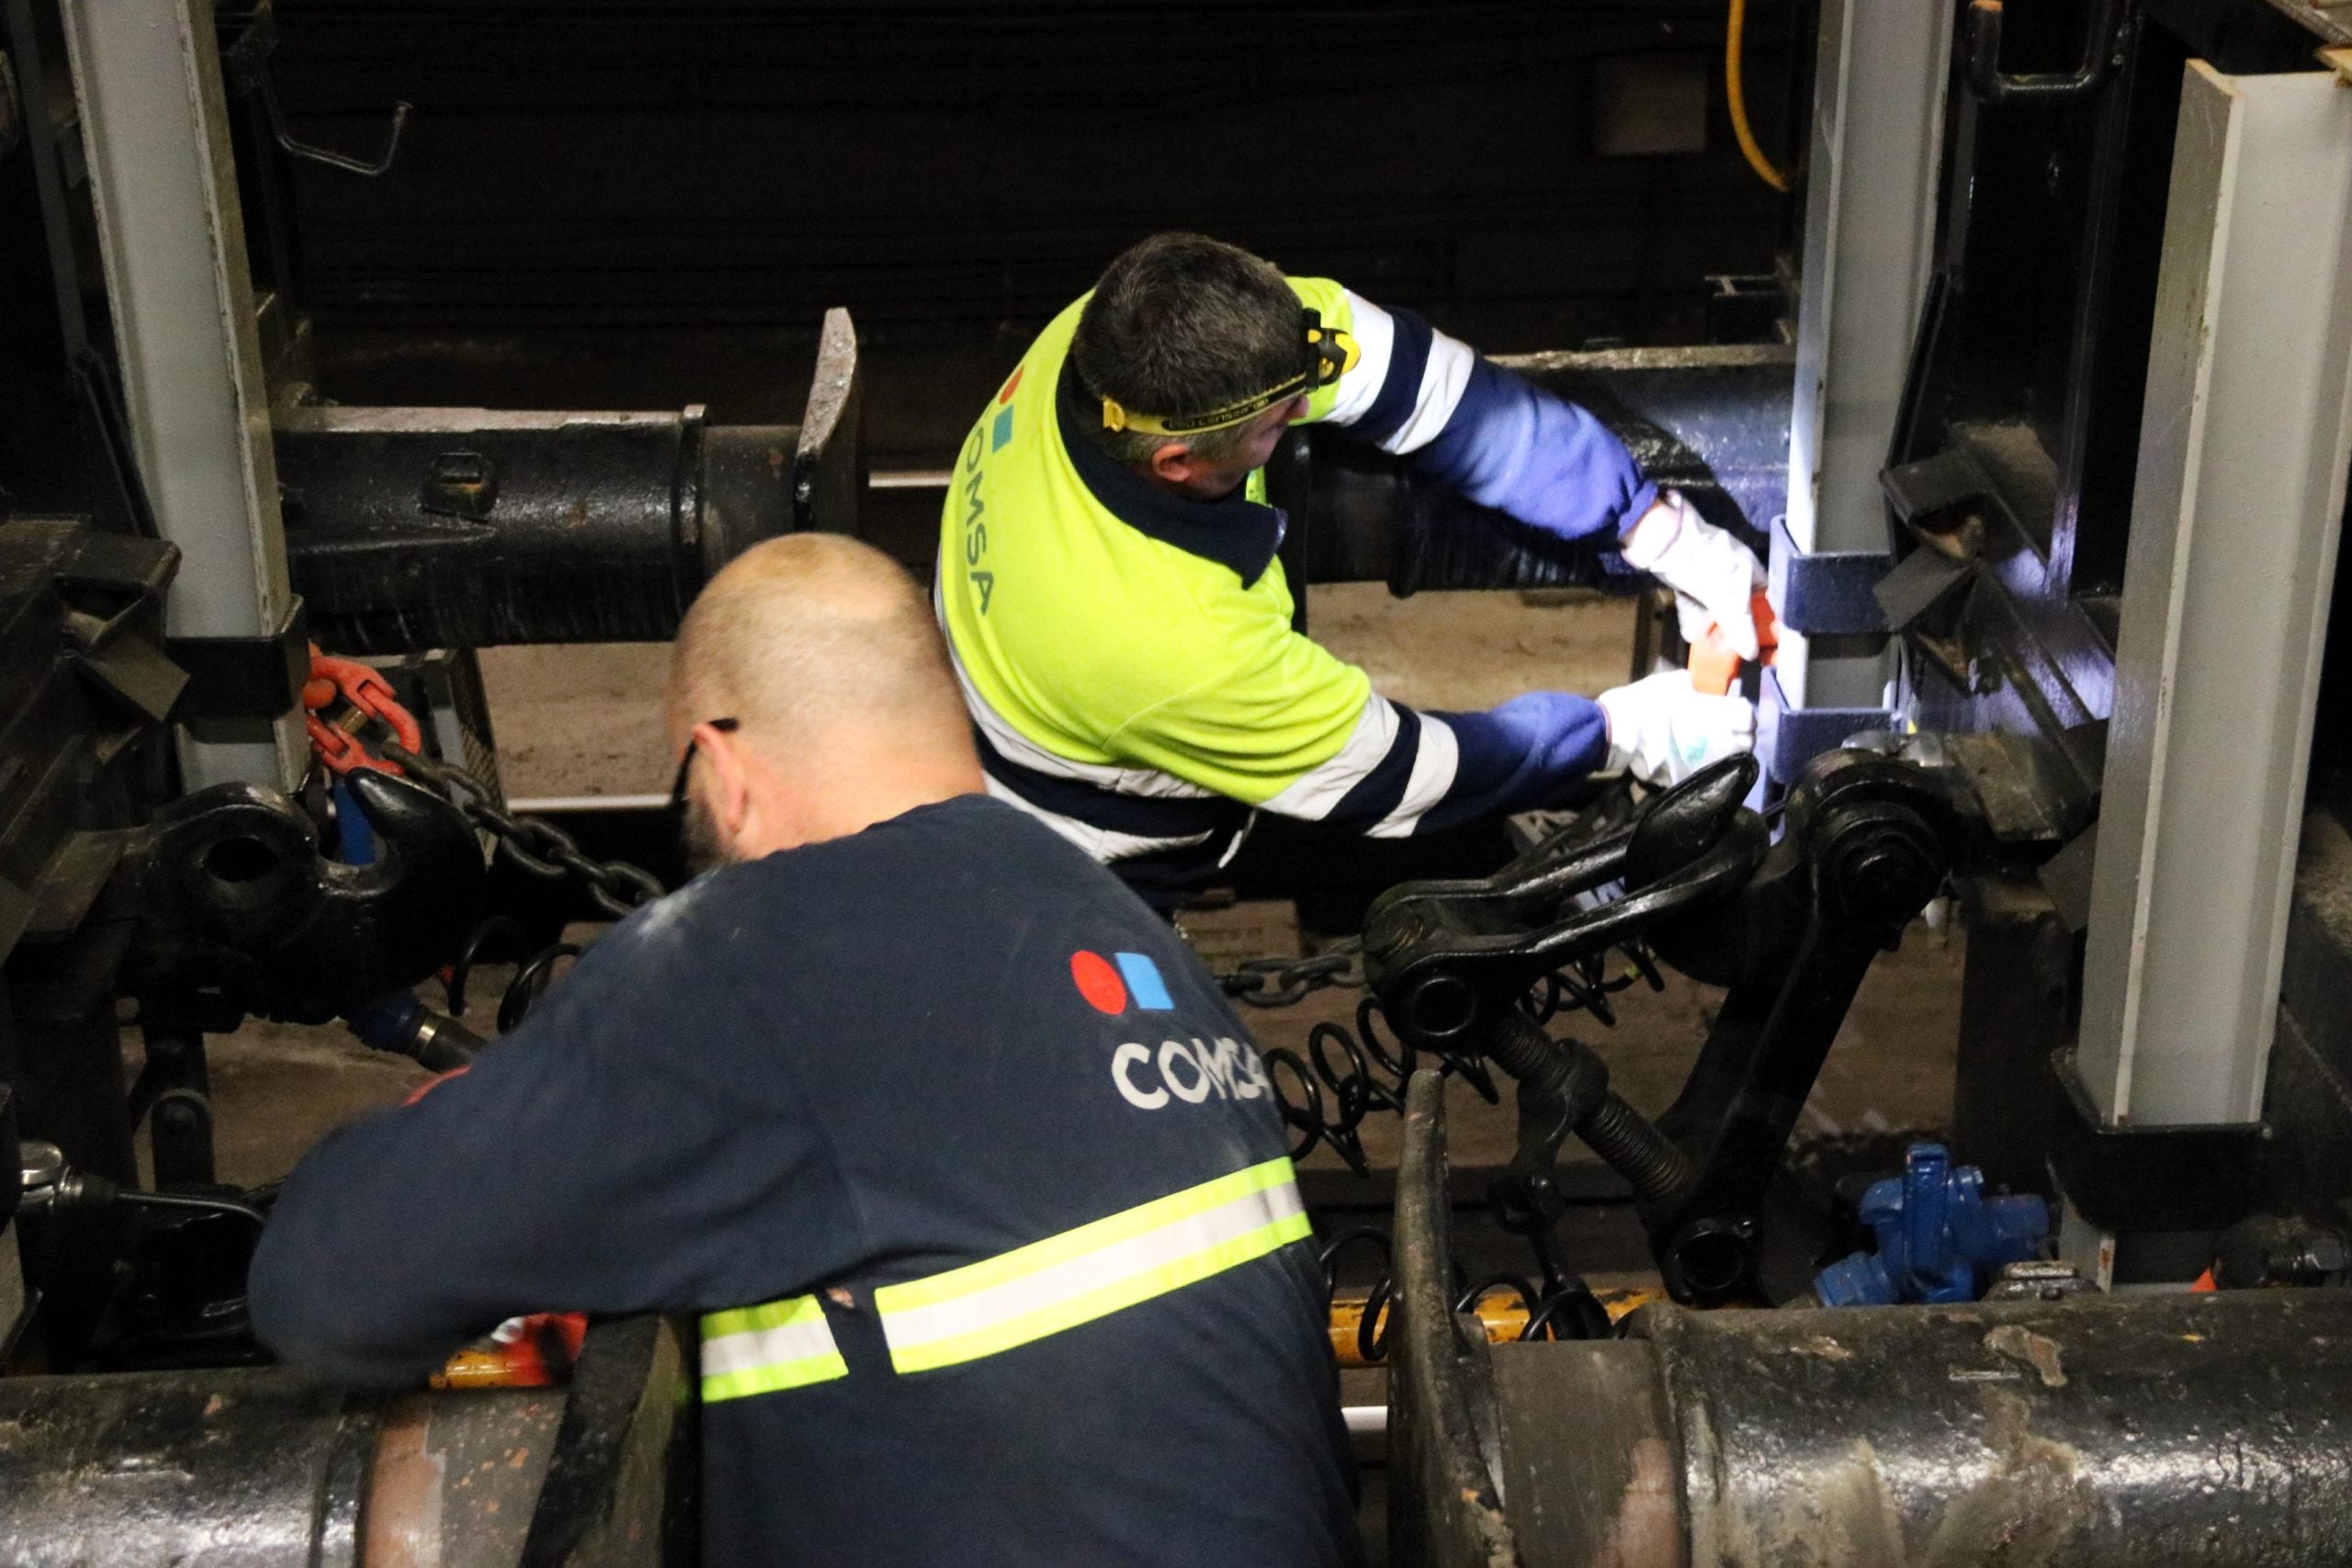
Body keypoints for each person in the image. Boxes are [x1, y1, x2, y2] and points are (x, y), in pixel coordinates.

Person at [248, 534, 1363, 1567]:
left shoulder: (757, 948)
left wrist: (459, 1132)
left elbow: (333, 1286)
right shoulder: (1120, 931)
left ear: (719, 769)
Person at [938, 231, 1759, 908]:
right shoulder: (1173, 645)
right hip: (1085, 846)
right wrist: (1620, 735)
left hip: (1039, 644)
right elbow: (1401, 771)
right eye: (1280, 419)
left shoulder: (1121, 337)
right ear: (1180, 462)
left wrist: (1654, 526)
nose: (1305, 408)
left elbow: (1435, 394)